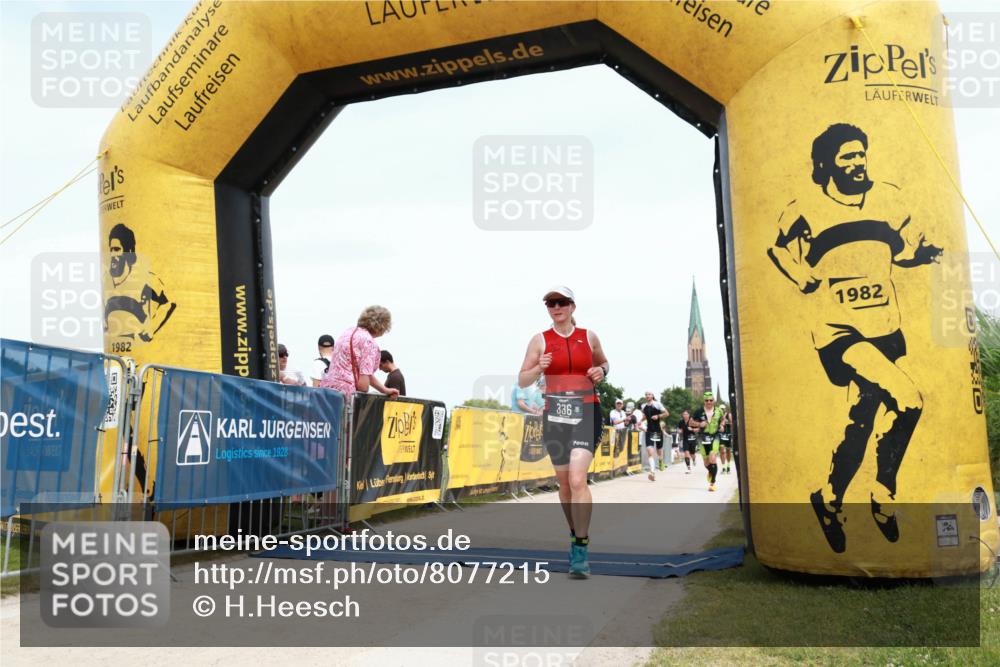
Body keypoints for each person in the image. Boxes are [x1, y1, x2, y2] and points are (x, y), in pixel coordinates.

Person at [767, 123, 940, 553]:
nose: (857, 162)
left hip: (886, 327)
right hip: (839, 331)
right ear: (826, 164)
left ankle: (827, 500)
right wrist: (800, 274)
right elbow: (778, 248)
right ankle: (883, 495)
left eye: (861, 154)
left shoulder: (888, 198)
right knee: (910, 398)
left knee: (859, 424)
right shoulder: (805, 206)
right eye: (847, 156)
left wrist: (921, 256)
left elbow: (899, 253)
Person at [518, 286, 608, 578]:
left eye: (561, 302)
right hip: (555, 416)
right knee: (565, 485)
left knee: (578, 479)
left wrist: (602, 372)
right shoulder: (539, 341)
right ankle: (574, 534)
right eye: (550, 303)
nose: (555, 307)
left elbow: (603, 362)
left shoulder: (589, 336)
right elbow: (522, 380)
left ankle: (580, 550)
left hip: (586, 411)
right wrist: (538, 369)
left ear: (572, 306)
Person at [103, 223, 176, 344]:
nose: (112, 255)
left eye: (117, 249)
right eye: (111, 250)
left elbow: (168, 303)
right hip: (116, 356)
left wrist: (151, 329)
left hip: (142, 353)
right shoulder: (106, 280)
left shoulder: (144, 278)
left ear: (129, 252)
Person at [321, 306, 400, 399]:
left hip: (327, 392)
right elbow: (363, 385)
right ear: (382, 325)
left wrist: (384, 389)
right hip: (345, 397)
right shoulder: (369, 342)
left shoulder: (347, 333)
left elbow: (364, 372)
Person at [692, 391, 724, 492]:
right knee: (706, 462)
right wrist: (699, 424)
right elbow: (691, 422)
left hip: (715, 436)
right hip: (702, 437)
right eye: (707, 400)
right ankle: (711, 471)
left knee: (712, 457)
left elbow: (722, 419)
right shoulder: (698, 411)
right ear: (704, 401)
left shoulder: (719, 410)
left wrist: (722, 425)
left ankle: (712, 483)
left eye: (711, 400)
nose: (709, 402)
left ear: (713, 401)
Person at [641, 391, 669, 480]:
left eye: (649, 394)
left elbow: (666, 413)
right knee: (649, 451)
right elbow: (645, 416)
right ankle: (652, 472)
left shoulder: (657, 404)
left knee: (659, 451)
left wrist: (658, 416)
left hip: (657, 431)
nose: (647, 396)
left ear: (652, 396)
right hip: (649, 431)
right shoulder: (643, 406)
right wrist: (639, 421)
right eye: (646, 394)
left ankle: (661, 460)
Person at [609, 398, 628, 467]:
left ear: (622, 405)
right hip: (614, 431)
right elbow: (615, 422)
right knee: (614, 448)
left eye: (620, 404)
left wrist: (628, 421)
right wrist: (624, 420)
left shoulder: (623, 412)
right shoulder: (612, 412)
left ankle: (616, 464)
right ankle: (612, 464)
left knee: (621, 448)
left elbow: (625, 423)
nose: (619, 405)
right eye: (618, 404)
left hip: (622, 431)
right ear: (615, 405)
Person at [677, 409, 698, 474]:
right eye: (684, 414)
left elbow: (698, 429)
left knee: (693, 454)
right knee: (686, 453)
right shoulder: (681, 422)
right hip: (685, 439)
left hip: (692, 439)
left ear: (689, 415)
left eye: (686, 414)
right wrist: (679, 431)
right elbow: (679, 429)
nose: (685, 415)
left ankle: (694, 459)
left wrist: (693, 429)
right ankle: (688, 468)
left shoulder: (692, 421)